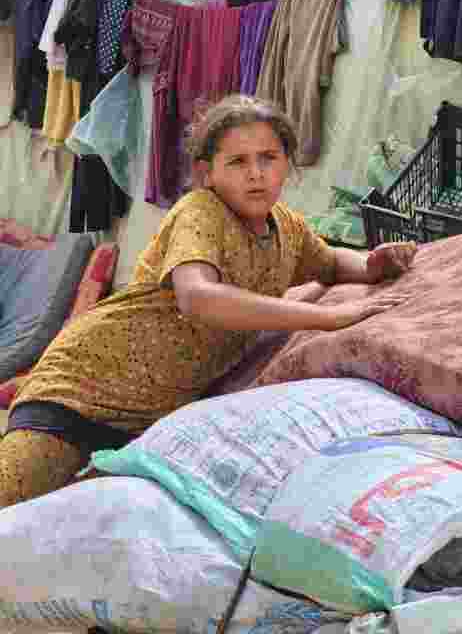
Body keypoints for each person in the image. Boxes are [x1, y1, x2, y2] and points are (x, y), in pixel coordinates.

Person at [0, 94, 416, 509]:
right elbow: (198, 297)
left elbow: (328, 262)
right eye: (237, 162)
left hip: (150, 417)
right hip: (83, 389)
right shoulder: (201, 213)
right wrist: (327, 317)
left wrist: (370, 265)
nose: (256, 174)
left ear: (287, 163)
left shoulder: (286, 227)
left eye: (269, 157)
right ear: (207, 173)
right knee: (12, 495)